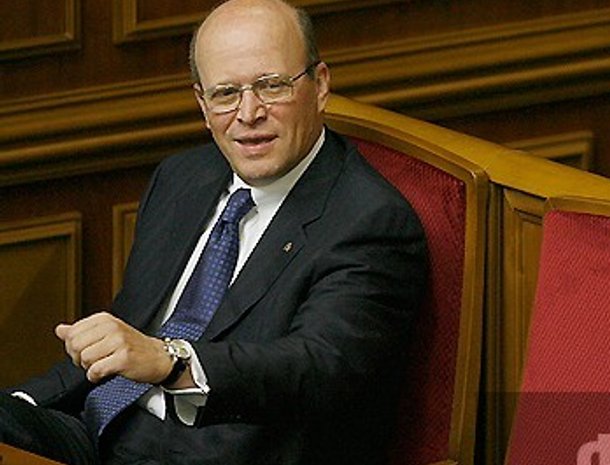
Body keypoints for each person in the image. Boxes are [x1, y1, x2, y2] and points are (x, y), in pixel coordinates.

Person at [0, 0, 428, 463]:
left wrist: (173, 362)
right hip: (102, 429)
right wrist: (23, 407)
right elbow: (131, 330)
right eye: (225, 93)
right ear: (203, 105)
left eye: (271, 86)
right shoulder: (182, 178)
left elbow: (316, 368)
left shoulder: (369, 220)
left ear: (320, 85)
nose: (248, 113)